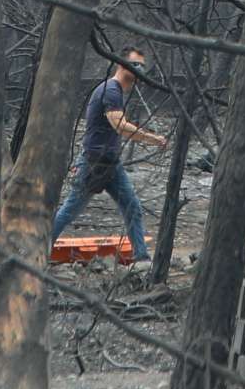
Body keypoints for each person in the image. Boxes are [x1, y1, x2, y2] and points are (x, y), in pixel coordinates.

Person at [51, 46, 168, 263]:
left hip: (111, 164)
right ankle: (38, 249)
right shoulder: (111, 90)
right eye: (134, 64)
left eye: (142, 65)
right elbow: (120, 126)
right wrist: (152, 139)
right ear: (120, 64)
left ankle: (141, 258)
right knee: (69, 211)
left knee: (132, 206)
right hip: (93, 163)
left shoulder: (116, 92)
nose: (139, 69)